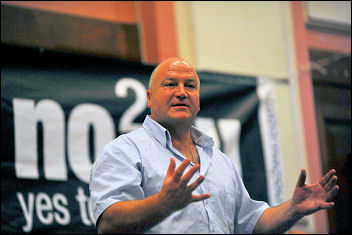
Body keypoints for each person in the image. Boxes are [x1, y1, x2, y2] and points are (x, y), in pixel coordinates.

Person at [89, 57, 339, 234]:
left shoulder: (218, 160)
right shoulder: (124, 150)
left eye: (190, 86)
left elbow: (252, 224)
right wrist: (162, 203)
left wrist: (293, 209)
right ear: (149, 98)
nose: (181, 92)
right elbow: (109, 223)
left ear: (198, 101)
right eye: (169, 84)